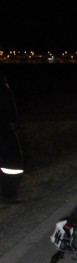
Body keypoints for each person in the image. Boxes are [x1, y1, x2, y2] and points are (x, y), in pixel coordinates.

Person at [0, 73, 24, 204]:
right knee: (12, 161)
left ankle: (9, 194)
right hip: (3, 127)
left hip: (5, 125)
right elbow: (7, 104)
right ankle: (9, 195)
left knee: (11, 161)